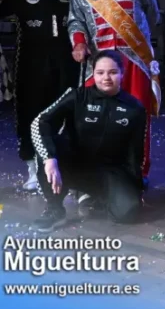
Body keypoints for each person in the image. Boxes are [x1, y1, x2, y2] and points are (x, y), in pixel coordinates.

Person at [68, 0, 160, 183]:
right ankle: (93, 178)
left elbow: (153, 15)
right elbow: (76, 20)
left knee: (137, 120)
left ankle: (136, 174)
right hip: (98, 64)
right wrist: (79, 42)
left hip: (134, 63)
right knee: (93, 120)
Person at [30, 50, 147, 232]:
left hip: (109, 170)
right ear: (93, 74)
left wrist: (135, 187)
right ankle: (54, 209)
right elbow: (41, 122)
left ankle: (96, 195)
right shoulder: (77, 96)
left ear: (122, 73)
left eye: (113, 72)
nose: (106, 78)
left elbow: (135, 152)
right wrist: (49, 159)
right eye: (100, 73)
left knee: (128, 212)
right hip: (73, 163)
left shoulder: (135, 108)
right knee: (48, 149)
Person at [0, 0, 79, 191]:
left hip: (66, 67)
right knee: (29, 116)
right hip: (30, 69)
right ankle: (33, 169)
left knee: (67, 116)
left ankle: (65, 168)